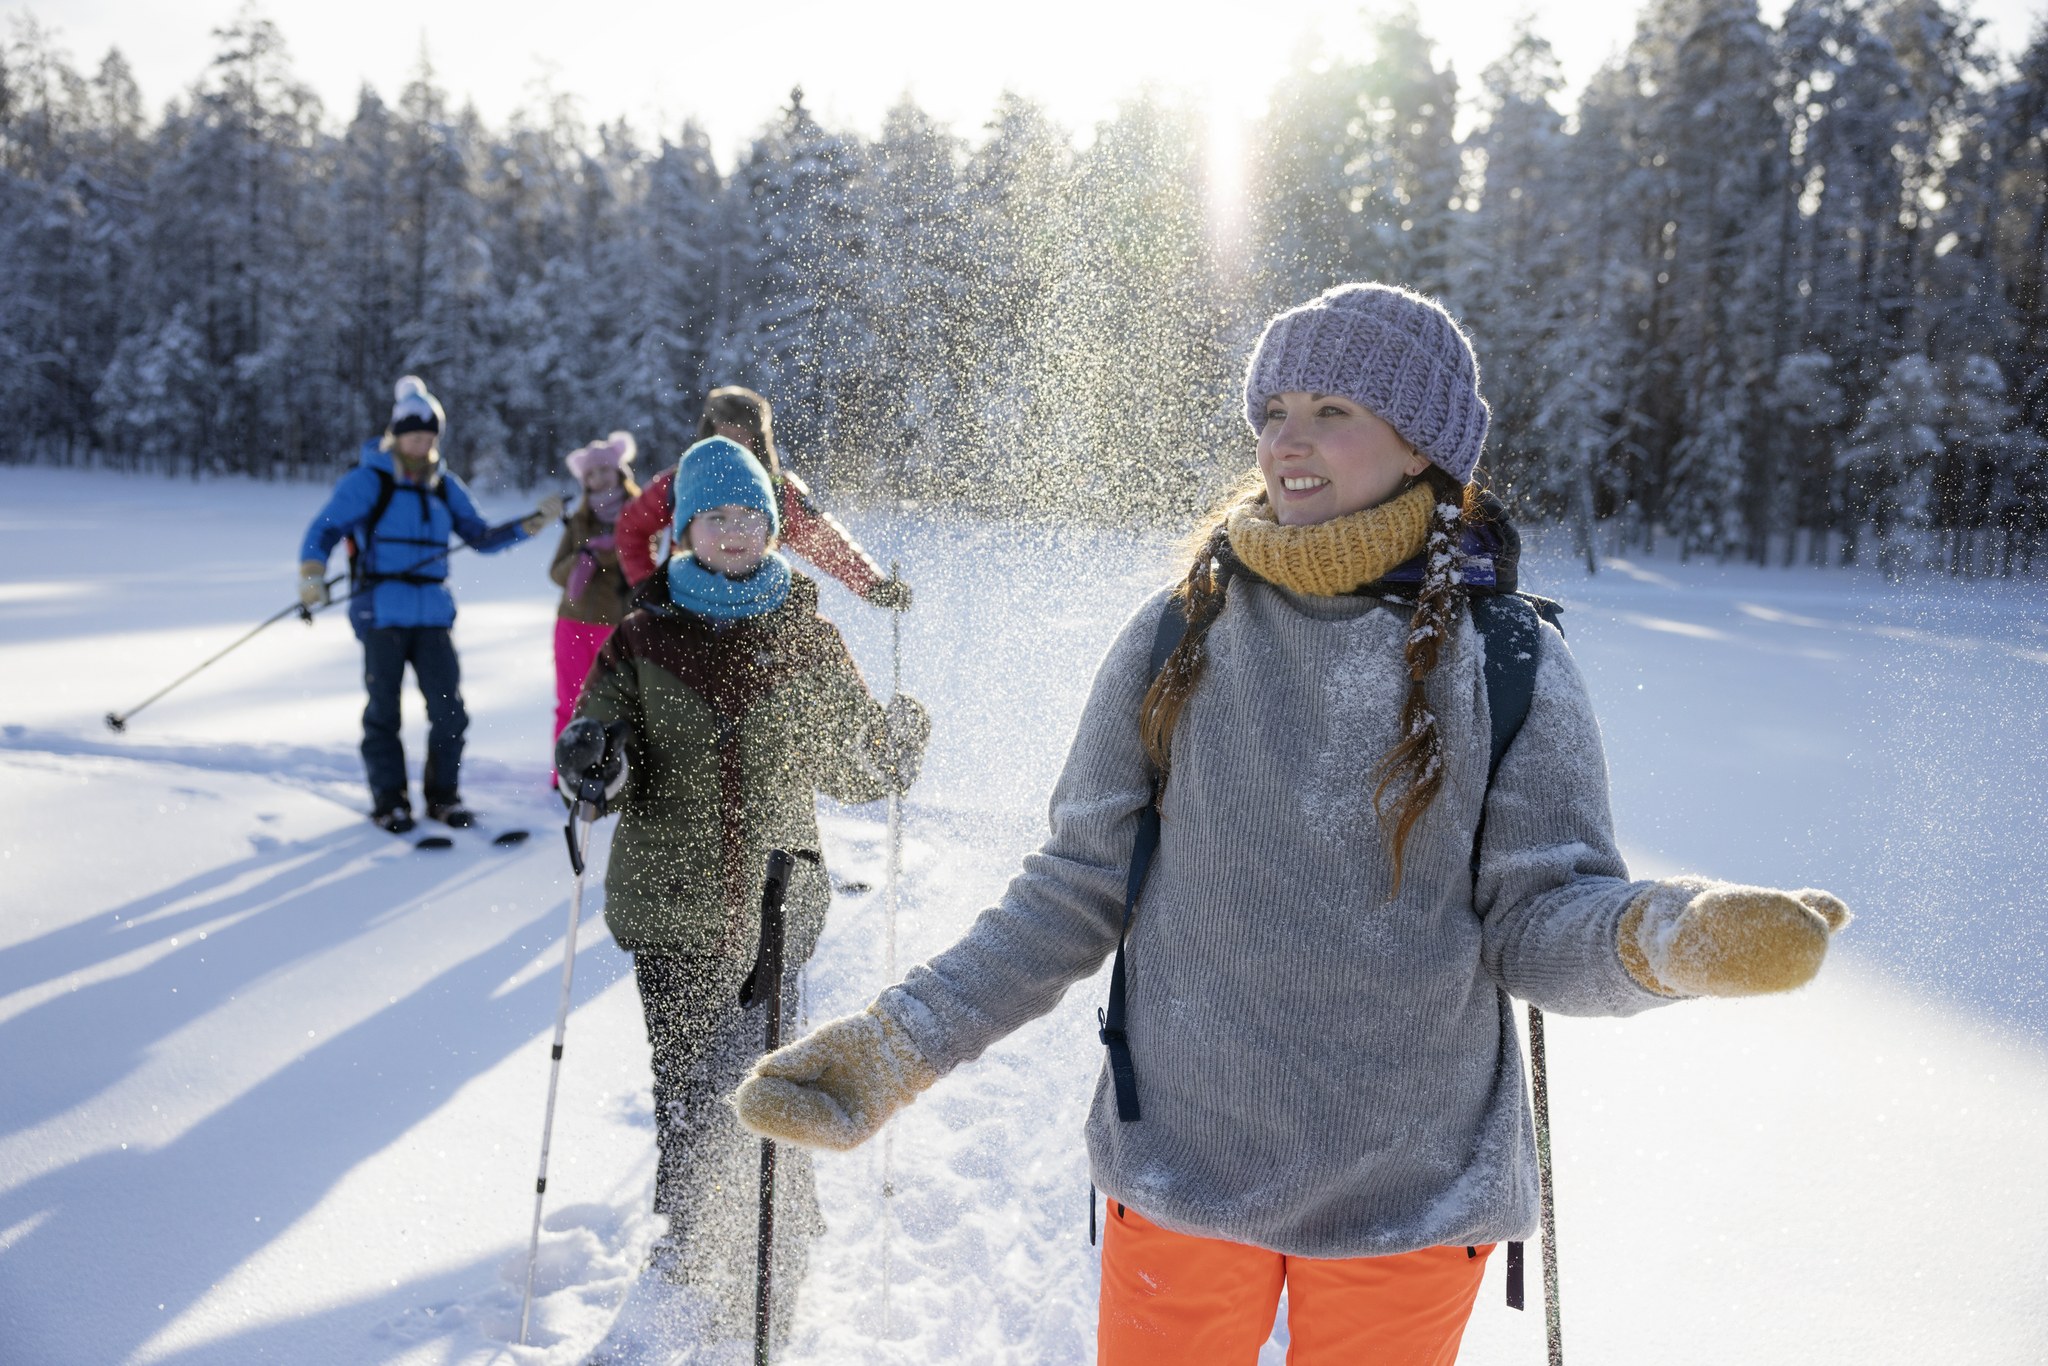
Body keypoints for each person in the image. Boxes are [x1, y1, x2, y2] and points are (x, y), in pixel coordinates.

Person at [732, 284, 1853, 1365]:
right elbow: (1072, 892)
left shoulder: (1507, 658)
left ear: (1420, 444)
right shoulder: (1178, 630)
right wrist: (893, 1045)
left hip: (1412, 1195)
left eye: (1332, 411)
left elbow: (1541, 916)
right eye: (1271, 412)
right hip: (1182, 1168)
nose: (1286, 439)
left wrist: (1665, 939)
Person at [555, 436, 929, 1348]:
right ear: (686, 529)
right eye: (717, 517)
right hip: (670, 900)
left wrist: (893, 748)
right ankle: (692, 1238)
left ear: (773, 527)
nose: (734, 532)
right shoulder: (641, 636)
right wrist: (591, 761)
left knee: (763, 1075)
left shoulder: (807, 633)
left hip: (774, 902)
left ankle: (779, 1226)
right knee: (685, 1080)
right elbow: (598, 749)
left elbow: (850, 764)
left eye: (750, 517)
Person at [298, 376, 563, 833]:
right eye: (413, 436)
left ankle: (444, 798)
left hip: (433, 613)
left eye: (429, 437)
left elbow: (479, 537)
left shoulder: (445, 486)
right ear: (396, 435)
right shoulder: (369, 479)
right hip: (379, 610)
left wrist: (530, 524)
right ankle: (390, 802)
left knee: (449, 712)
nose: (421, 445)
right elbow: (324, 529)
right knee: (384, 710)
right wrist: (311, 573)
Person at [614, 385, 912, 610]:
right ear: (709, 431)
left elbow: (823, 542)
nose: (732, 439)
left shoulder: (777, 490)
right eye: (724, 430)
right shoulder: (680, 483)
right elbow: (630, 526)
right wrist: (646, 584)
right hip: (689, 606)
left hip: (759, 606)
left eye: (741, 432)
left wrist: (873, 586)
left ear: (757, 438)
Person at [549, 430, 641, 741]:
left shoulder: (639, 517)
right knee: (569, 703)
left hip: (618, 626)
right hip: (572, 623)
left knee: (618, 706)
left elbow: (644, 568)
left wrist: (610, 551)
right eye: (590, 474)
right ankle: (562, 775)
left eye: (603, 469)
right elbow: (556, 573)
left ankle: (614, 778)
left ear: (618, 470)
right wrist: (584, 556)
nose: (598, 478)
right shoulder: (579, 522)